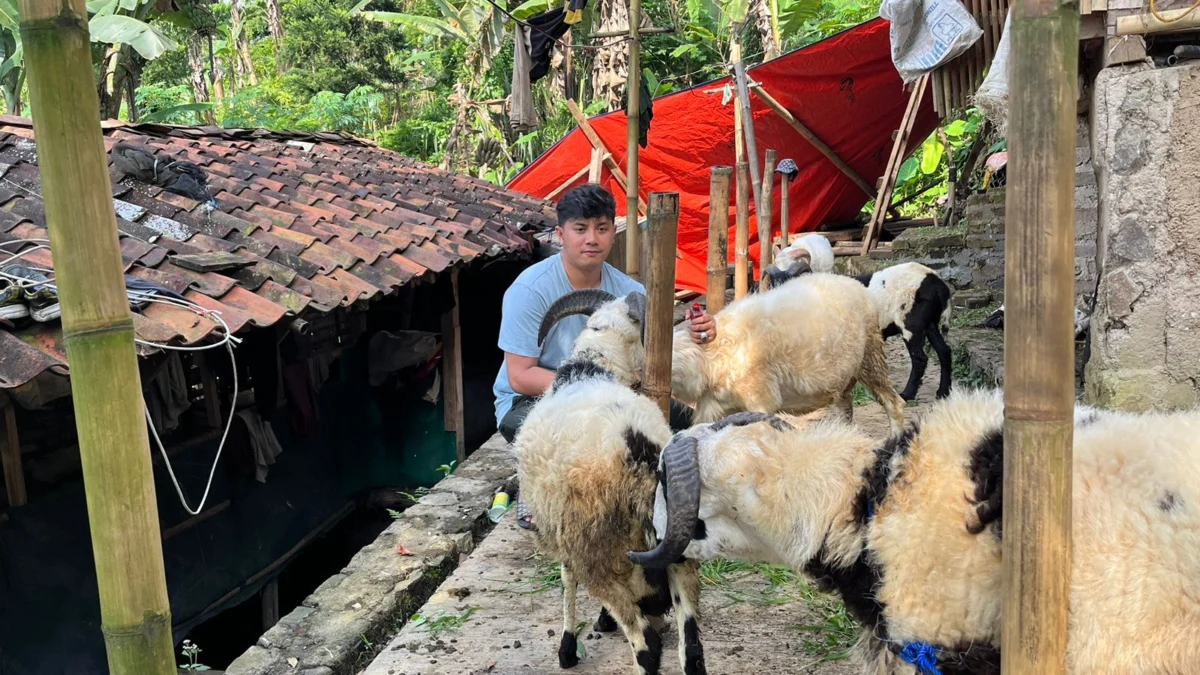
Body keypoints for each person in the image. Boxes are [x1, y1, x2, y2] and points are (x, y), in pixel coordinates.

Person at [492, 184, 715, 528]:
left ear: (614, 232)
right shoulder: (529, 290)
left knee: (686, 426)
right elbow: (520, 375)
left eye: (601, 228)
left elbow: (657, 356)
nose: (591, 239)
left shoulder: (632, 292)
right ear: (561, 234)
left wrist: (697, 334)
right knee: (547, 431)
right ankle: (535, 485)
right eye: (580, 229)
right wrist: (593, 390)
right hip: (537, 399)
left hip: (616, 393)